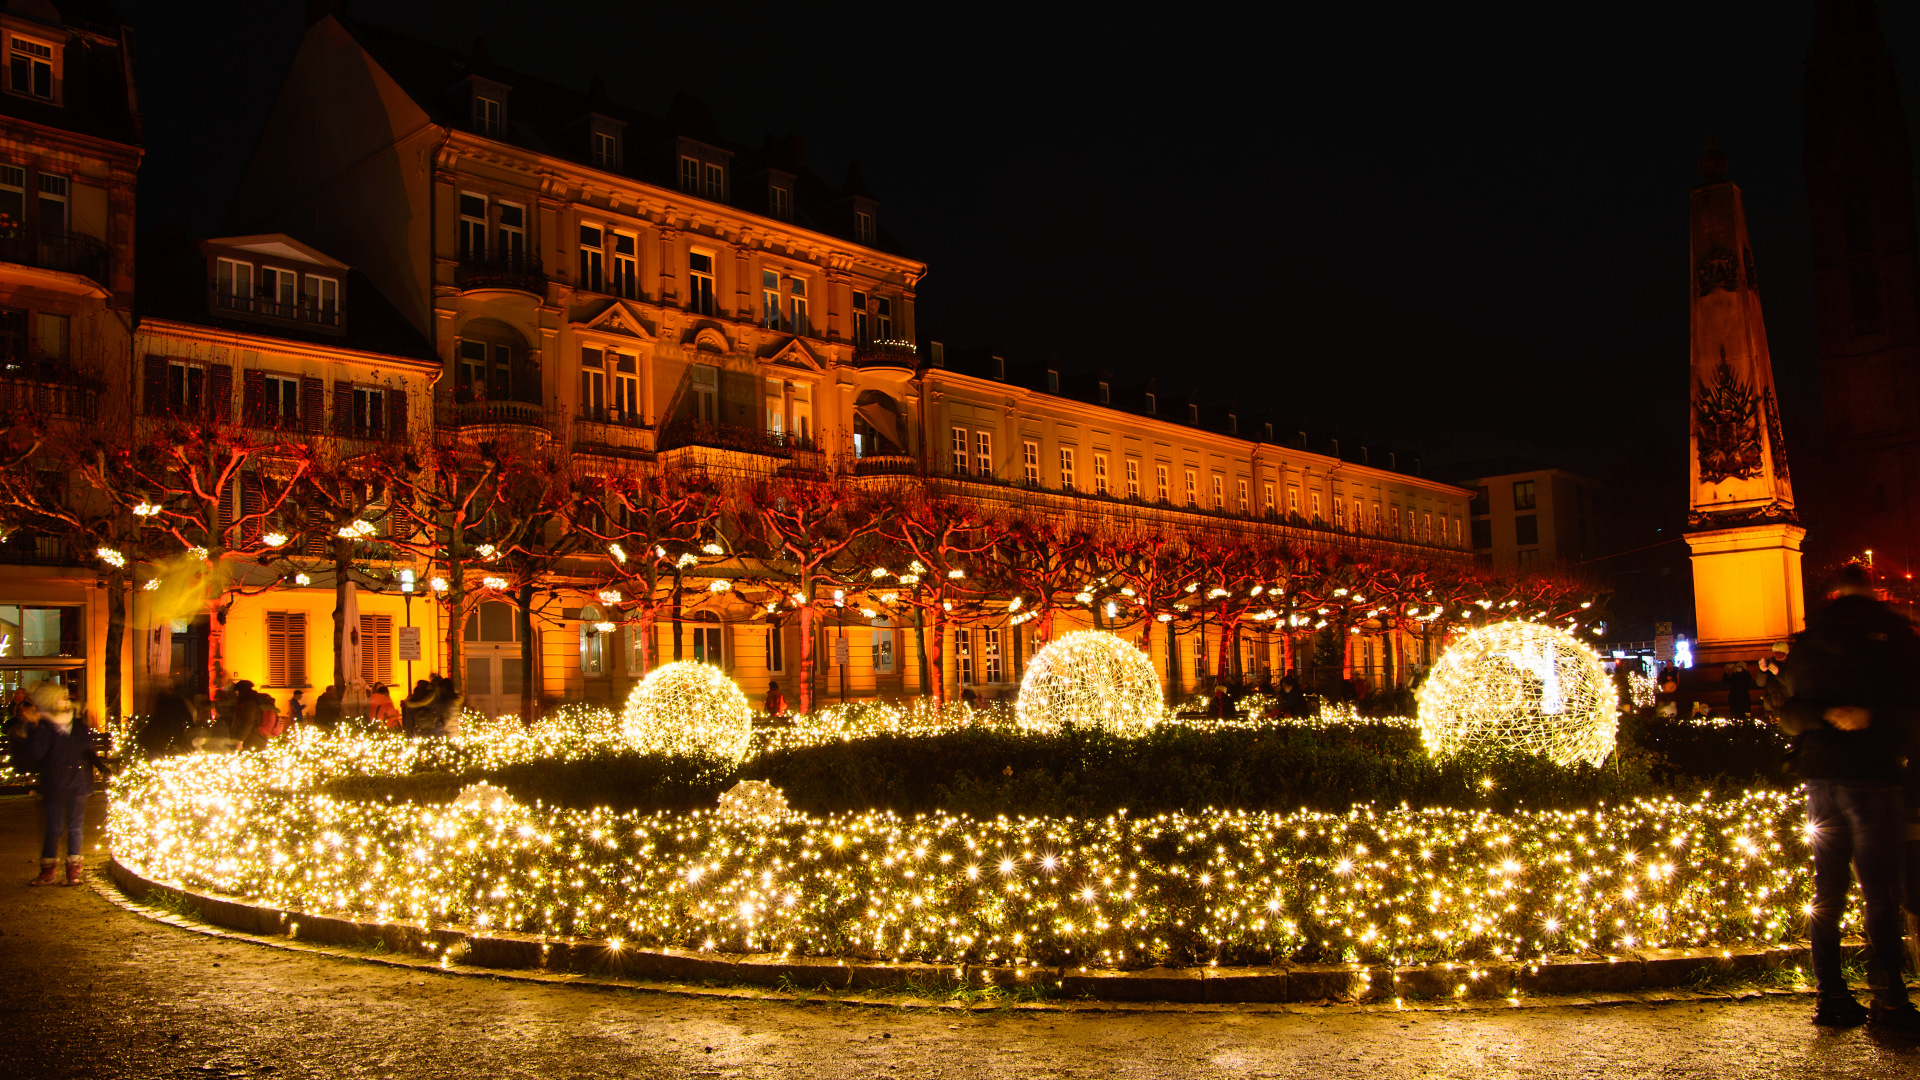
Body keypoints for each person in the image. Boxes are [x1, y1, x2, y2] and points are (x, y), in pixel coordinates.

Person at [1779, 563, 1920, 1030]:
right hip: (1872, 772)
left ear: (1833, 595)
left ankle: (1831, 997)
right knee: (1879, 890)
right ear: (1871, 592)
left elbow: (1788, 713)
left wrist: (1824, 715)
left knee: (1827, 892)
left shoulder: (1808, 640)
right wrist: (1869, 717)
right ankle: (1890, 1000)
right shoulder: (1893, 636)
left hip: (1819, 775)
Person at [19, 683, 108, 886]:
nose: (66, 701)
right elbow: (37, 754)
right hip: (55, 784)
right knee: (54, 828)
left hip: (76, 784)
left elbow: (86, 746)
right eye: (61, 697)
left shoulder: (76, 726)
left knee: (75, 827)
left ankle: (73, 871)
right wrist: (34, 728)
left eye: (66, 697)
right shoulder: (44, 727)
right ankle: (48, 871)